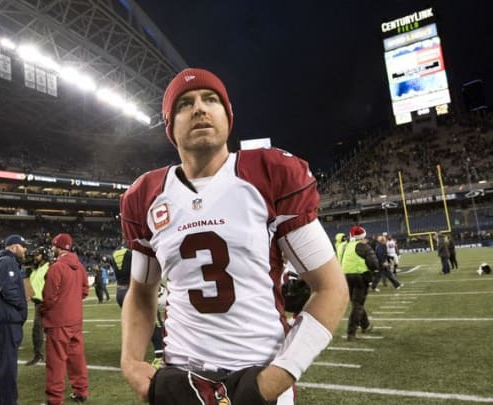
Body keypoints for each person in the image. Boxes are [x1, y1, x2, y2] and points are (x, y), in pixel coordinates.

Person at [119, 68, 349, 404]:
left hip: (258, 376)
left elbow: (331, 287)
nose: (199, 108)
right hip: (182, 382)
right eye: (185, 104)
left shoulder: (267, 175)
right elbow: (141, 292)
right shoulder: (147, 195)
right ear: (170, 125)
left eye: (210, 99)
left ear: (228, 115)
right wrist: (131, 362)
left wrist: (279, 376)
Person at [40, 233, 90, 405]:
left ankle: (55, 399)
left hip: (58, 320)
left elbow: (49, 297)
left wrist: (43, 310)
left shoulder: (56, 267)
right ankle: (81, 391)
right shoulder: (80, 266)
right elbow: (85, 291)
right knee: (77, 357)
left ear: (57, 246)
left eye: (53, 246)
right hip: (75, 319)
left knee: (56, 360)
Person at [0, 234, 29, 405]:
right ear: (13, 247)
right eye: (22, 246)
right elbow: (9, 289)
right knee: (8, 366)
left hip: (1, 320)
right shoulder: (7, 262)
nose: (25, 249)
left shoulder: (0, 262)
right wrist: (21, 306)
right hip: (7, 320)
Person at [112, 245, 164, 365]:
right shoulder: (133, 253)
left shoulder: (114, 254)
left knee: (134, 323)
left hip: (120, 291)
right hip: (133, 290)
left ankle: (135, 355)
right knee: (154, 321)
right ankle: (159, 355)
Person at [339, 226, 377, 341]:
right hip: (360, 277)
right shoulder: (363, 246)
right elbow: (374, 264)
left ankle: (365, 325)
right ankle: (351, 333)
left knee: (356, 303)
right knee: (358, 305)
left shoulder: (345, 246)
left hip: (346, 276)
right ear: (363, 236)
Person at [25, 247, 49, 366]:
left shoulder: (49, 267)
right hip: (38, 303)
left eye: (37, 255)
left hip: (49, 303)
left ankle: (60, 353)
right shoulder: (35, 269)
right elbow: (31, 286)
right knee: (37, 329)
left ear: (44, 255)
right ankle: (38, 354)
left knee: (50, 329)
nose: (35, 258)